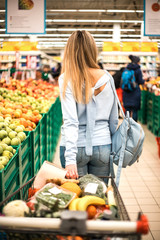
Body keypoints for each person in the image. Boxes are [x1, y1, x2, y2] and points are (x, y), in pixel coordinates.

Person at [58, 30, 118, 179]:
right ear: (92, 49)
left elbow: (71, 121)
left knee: (77, 199)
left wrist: (71, 159)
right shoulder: (107, 77)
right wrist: (110, 143)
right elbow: (114, 119)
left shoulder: (66, 79)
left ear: (69, 51)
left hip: (75, 148)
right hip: (103, 145)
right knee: (99, 198)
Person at [123, 55, 144, 122]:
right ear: (137, 62)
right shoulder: (138, 70)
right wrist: (144, 81)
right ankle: (134, 126)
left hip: (126, 91)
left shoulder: (126, 69)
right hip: (135, 92)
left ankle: (126, 125)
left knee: (127, 110)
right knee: (135, 110)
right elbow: (140, 81)